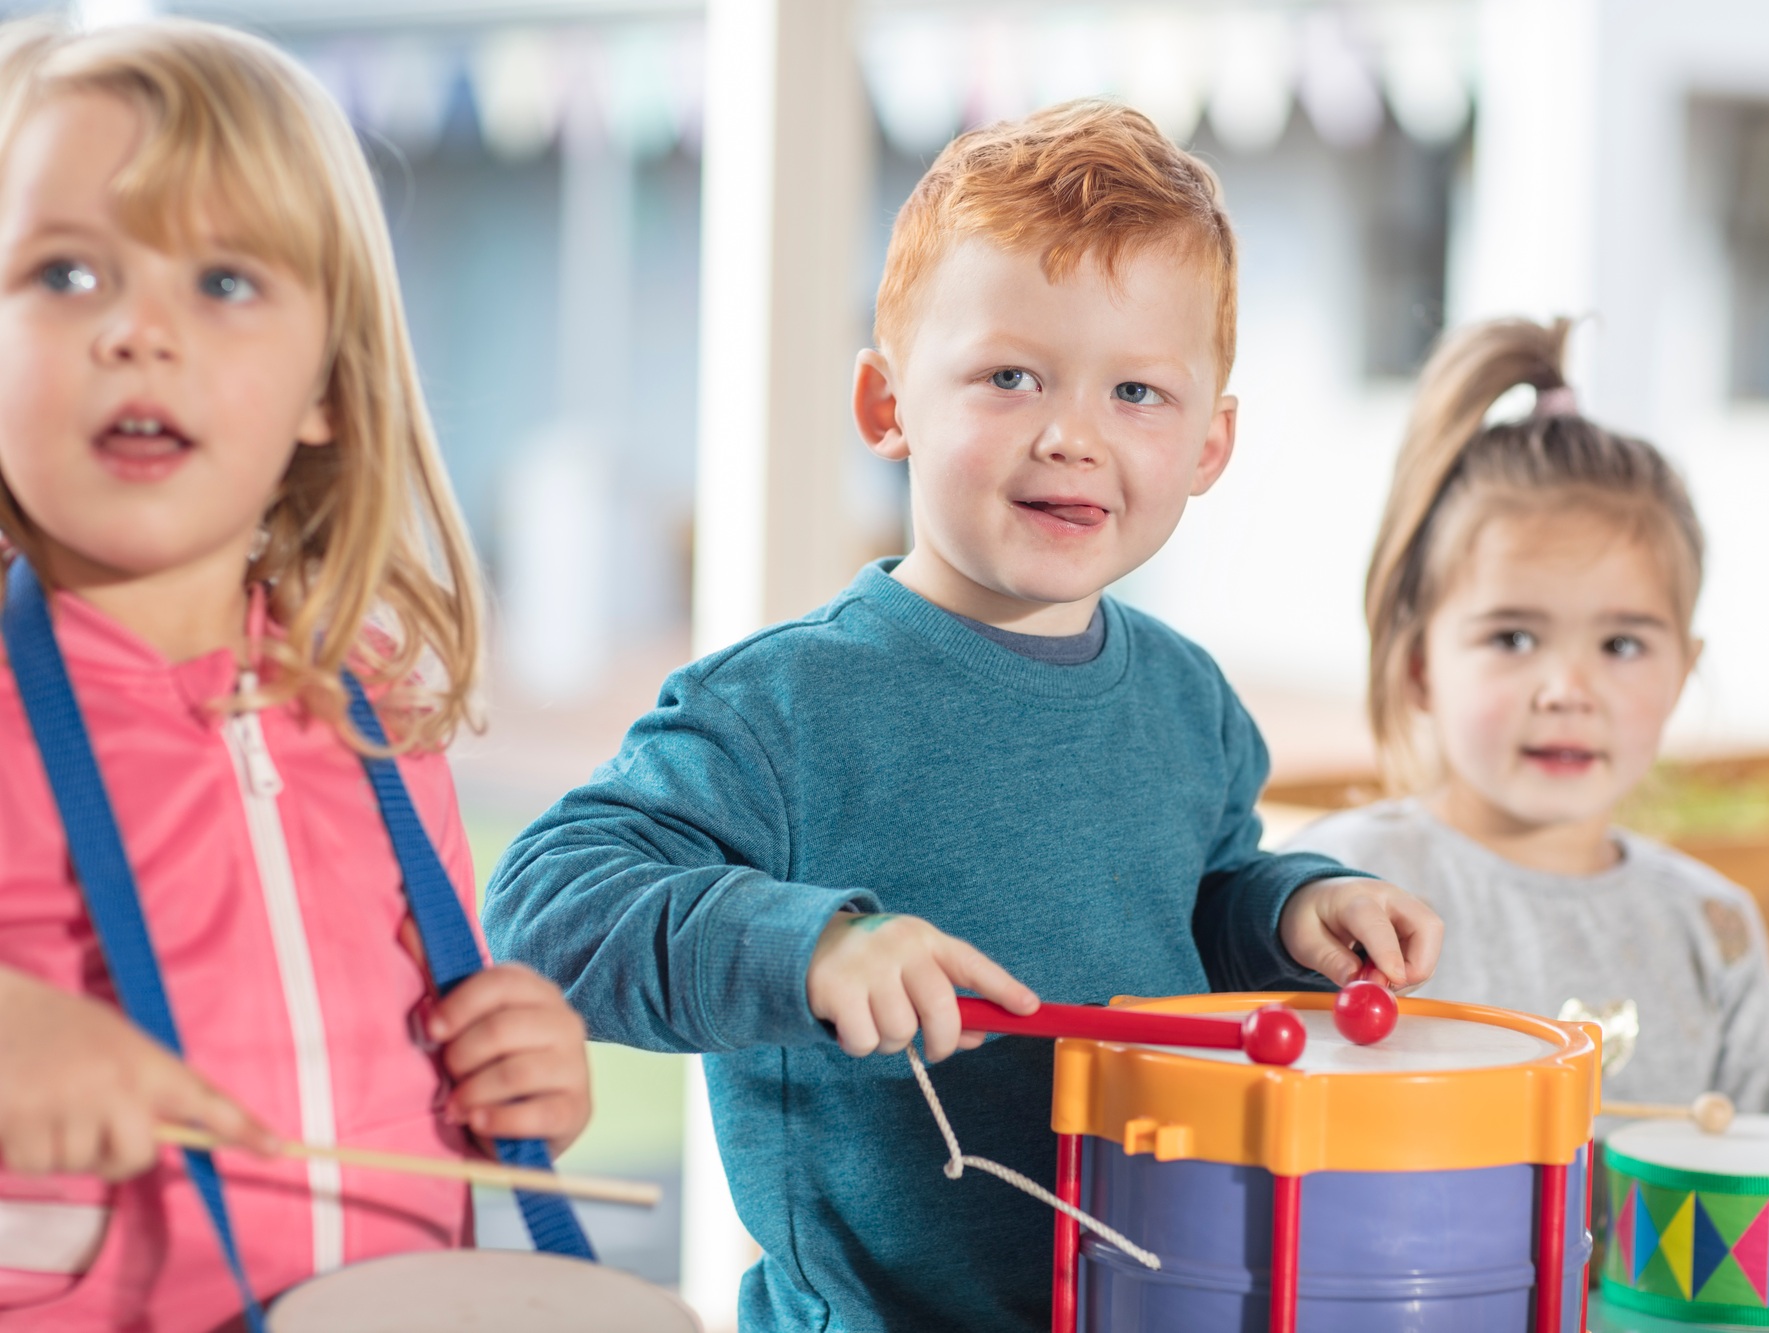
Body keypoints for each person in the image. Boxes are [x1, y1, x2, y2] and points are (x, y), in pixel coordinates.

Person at [483, 100, 1443, 1333]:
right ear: (885, 405)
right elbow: (546, 904)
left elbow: (1197, 904)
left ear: (1210, 444)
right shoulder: (781, 706)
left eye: (1136, 392)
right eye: (1008, 376)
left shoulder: (1191, 702)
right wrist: (812, 947)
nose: (1071, 435)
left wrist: (1290, 909)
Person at [0, 20, 591, 1330]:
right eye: (66, 274)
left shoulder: (369, 696)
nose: (138, 334)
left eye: (221, 284)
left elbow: (420, 1028)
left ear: (327, 383)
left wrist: (517, 1061)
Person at [1285, 316, 1769, 1232]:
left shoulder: (1714, 924)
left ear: (1683, 671)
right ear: (1418, 666)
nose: (1568, 689)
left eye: (1621, 643)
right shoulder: (1340, 889)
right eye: (1513, 637)